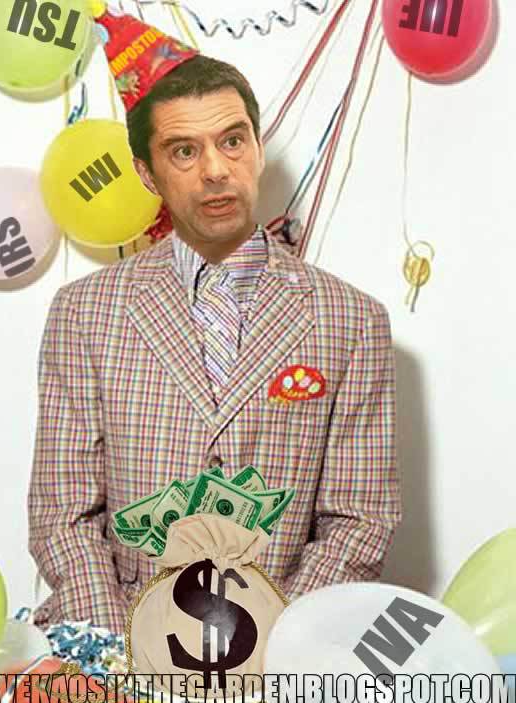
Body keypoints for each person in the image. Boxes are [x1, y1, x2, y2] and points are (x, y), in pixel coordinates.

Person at [28, 6, 402, 634]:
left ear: (257, 149)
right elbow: (63, 513)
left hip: (280, 645)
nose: (216, 170)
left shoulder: (353, 321)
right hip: (118, 640)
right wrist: (125, 654)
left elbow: (359, 519)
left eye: (232, 141)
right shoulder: (85, 312)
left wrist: (272, 646)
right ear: (147, 174)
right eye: (184, 151)